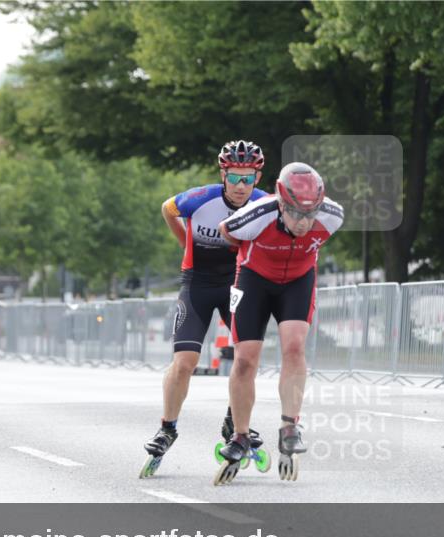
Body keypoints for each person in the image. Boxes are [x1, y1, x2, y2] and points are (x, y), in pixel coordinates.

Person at [140, 140, 270, 478]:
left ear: (257, 178)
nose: (242, 187)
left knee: (246, 357)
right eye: (235, 178)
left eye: (249, 179)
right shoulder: (201, 198)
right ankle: (167, 428)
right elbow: (168, 208)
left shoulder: (263, 203)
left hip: (238, 283)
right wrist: (186, 242)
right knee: (185, 363)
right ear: (223, 174)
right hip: (197, 283)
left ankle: (235, 424)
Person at [214, 162, 344, 485]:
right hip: (254, 279)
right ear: (281, 203)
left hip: (297, 280)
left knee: (295, 346)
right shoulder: (256, 214)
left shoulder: (333, 215)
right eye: (296, 214)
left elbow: (316, 233)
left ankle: (289, 426)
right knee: (244, 360)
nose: (304, 222)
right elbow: (225, 232)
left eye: (310, 214)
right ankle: (240, 436)